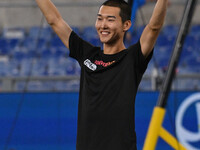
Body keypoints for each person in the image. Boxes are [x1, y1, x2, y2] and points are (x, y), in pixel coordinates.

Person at [35, 0, 168, 149]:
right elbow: (55, 21)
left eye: (110, 20)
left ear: (126, 25)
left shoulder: (132, 58)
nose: (103, 25)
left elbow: (154, 28)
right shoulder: (87, 54)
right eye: (99, 18)